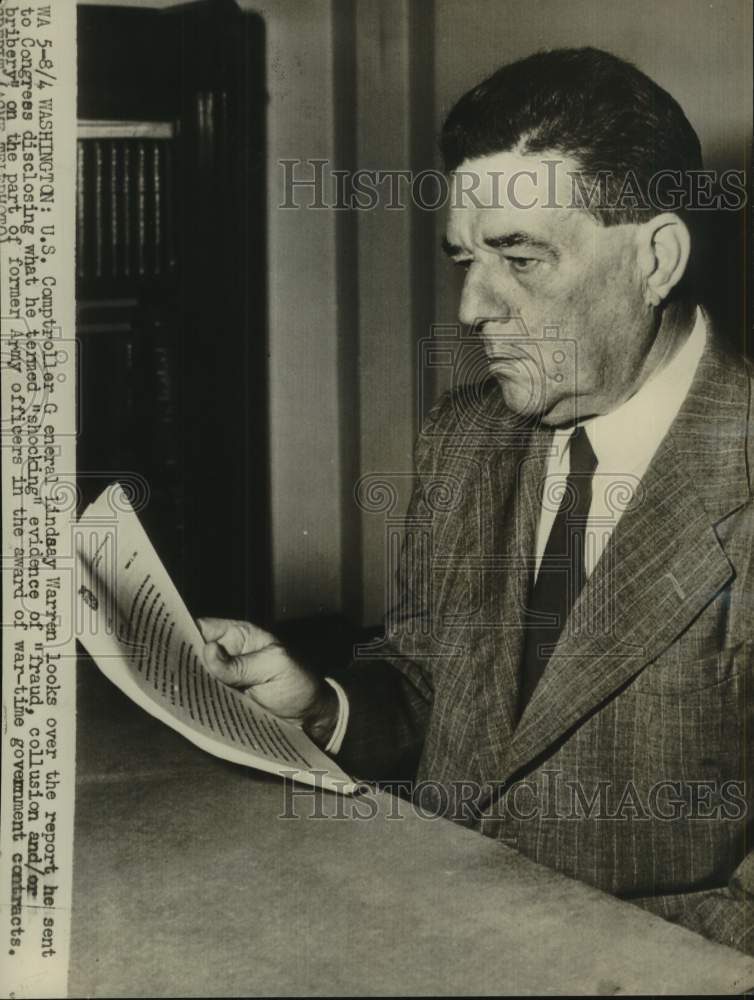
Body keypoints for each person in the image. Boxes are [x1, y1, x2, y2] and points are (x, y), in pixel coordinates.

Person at [198, 48, 754, 955]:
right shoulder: (464, 437)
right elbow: (429, 690)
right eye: (465, 257)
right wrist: (323, 712)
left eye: (519, 257)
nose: (471, 306)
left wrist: (536, 943)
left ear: (656, 260)